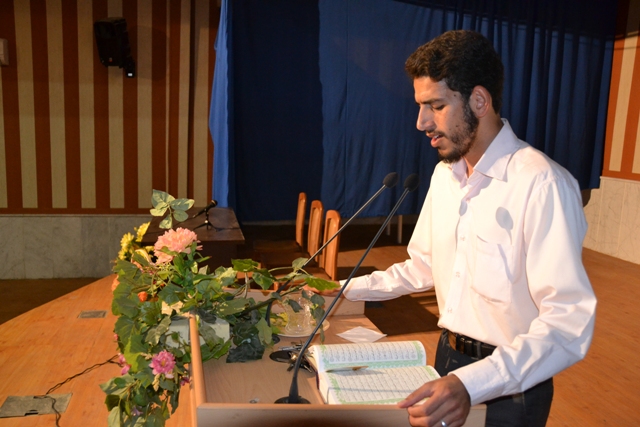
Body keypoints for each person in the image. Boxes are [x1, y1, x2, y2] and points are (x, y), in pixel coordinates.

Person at [341, 30, 597, 427]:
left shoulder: (542, 184)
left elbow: (568, 321)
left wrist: (473, 383)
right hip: (447, 360)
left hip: (510, 385)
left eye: (436, 106)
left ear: (479, 101)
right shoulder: (446, 176)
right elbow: (423, 266)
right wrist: (342, 290)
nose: (421, 122)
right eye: (420, 106)